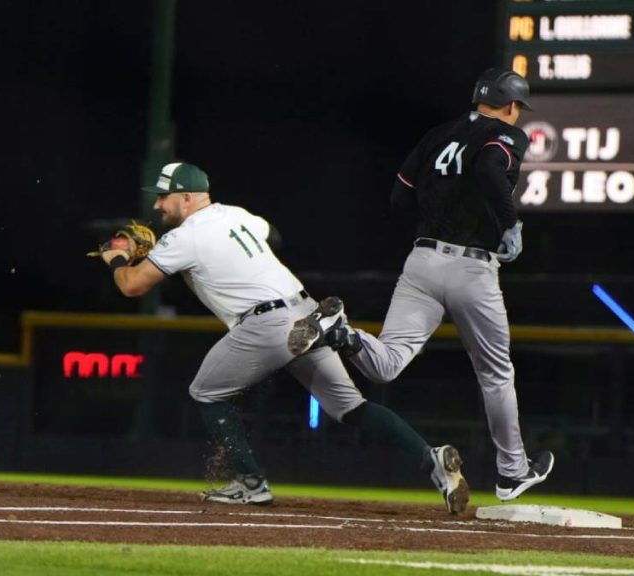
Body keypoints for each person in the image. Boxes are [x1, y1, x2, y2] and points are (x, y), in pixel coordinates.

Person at [99, 161, 470, 514]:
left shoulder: (184, 236)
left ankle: (251, 483)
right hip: (304, 310)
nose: (157, 205)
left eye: (163, 196)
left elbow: (132, 286)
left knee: (206, 392)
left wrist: (116, 256)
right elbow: (272, 235)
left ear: (187, 197)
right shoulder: (237, 215)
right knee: (351, 408)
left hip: (264, 322)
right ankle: (431, 458)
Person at [288, 68, 553, 502]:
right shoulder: (505, 134)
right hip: (472, 269)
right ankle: (512, 473)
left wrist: (437, 220)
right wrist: (510, 223)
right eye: (518, 108)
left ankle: (341, 332)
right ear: (511, 105)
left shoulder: (437, 135)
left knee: (386, 364)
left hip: (422, 260)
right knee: (496, 374)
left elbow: (399, 197)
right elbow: (490, 167)